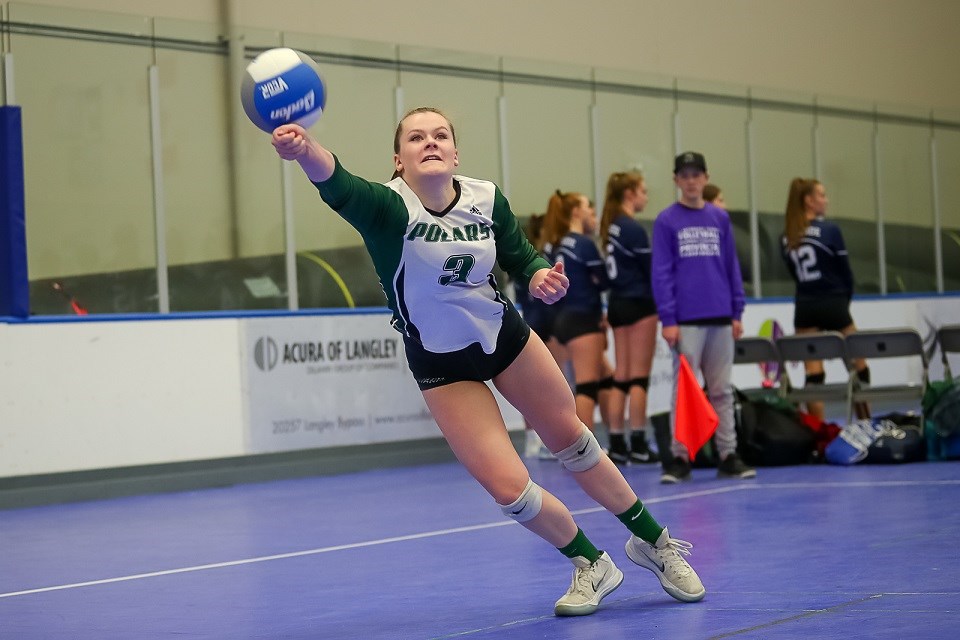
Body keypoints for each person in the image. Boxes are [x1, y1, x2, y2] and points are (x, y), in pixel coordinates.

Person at [270, 107, 705, 616]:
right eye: (416, 138)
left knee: (573, 440)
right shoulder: (386, 208)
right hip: (439, 361)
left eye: (440, 135)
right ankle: (591, 563)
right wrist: (303, 149)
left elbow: (520, 254)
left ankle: (652, 543)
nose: (429, 142)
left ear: (455, 153)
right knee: (509, 490)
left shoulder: (485, 197)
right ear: (398, 159)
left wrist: (541, 274)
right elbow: (336, 180)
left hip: (505, 339)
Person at [652, 151, 755, 483]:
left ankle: (728, 453)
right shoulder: (667, 220)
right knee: (684, 390)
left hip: (721, 316)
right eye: (685, 175)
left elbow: (731, 266)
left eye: (697, 175)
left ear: (705, 178)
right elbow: (662, 272)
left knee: (722, 389)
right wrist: (668, 318)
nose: (691, 181)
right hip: (686, 320)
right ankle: (680, 457)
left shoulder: (719, 218)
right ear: (676, 180)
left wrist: (736, 310)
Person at [781, 177, 870, 420]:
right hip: (834, 304)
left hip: (805, 307)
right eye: (821, 195)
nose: (826, 200)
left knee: (814, 376)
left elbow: (794, 275)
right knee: (858, 367)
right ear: (808, 201)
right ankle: (866, 426)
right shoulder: (830, 230)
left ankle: (817, 433)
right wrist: (843, 303)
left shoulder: (786, 235)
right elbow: (845, 272)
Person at [599, 171, 660, 465]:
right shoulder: (632, 229)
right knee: (638, 377)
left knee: (621, 375)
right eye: (643, 191)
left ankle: (617, 442)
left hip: (617, 303)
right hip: (639, 303)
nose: (646, 197)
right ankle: (638, 441)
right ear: (629, 195)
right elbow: (652, 271)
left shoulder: (610, 228)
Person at [542, 191, 610, 435]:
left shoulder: (558, 244)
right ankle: (584, 451)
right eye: (588, 208)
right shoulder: (583, 243)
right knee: (586, 386)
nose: (593, 213)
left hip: (563, 320)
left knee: (606, 377)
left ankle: (618, 440)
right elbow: (603, 280)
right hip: (582, 318)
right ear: (576, 212)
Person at [514, 214, 565, 459]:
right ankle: (549, 440)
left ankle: (533, 439)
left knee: (530, 387)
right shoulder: (536, 259)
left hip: (531, 320)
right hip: (545, 321)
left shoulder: (521, 262)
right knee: (553, 386)